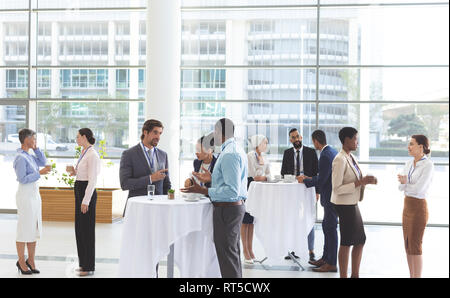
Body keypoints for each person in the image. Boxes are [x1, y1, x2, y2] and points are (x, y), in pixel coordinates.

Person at [181, 118, 248, 278]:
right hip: (231, 209)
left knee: (227, 258)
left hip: (227, 210)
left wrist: (203, 190)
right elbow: (230, 182)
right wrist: (211, 178)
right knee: (231, 255)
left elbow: (232, 191)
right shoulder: (233, 149)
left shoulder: (229, 154)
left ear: (219, 132)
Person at [331, 127, 377, 278]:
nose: (357, 142)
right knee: (347, 241)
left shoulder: (351, 157)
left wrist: (366, 181)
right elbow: (337, 188)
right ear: (346, 140)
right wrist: (360, 182)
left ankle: (354, 275)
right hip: (344, 205)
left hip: (352, 203)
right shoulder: (339, 159)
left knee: (359, 240)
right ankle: (345, 275)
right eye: (355, 139)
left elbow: (357, 179)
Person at [298, 130, 338, 272]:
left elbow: (321, 180)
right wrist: (310, 177)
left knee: (330, 229)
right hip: (331, 197)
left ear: (316, 140)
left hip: (331, 198)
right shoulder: (331, 151)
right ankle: (326, 258)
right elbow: (323, 175)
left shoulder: (325, 155)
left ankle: (331, 263)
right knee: (327, 227)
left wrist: (306, 180)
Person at [13, 128, 51, 275]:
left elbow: (43, 161)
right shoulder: (20, 158)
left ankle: (31, 260)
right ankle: (21, 261)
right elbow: (22, 179)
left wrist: (36, 149)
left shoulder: (29, 155)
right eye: (34, 139)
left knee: (34, 228)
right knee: (24, 229)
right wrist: (39, 173)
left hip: (35, 195)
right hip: (25, 195)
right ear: (26, 139)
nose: (35, 141)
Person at [398, 135, 434, 278]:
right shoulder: (408, 163)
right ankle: (411, 275)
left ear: (421, 147)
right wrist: (405, 184)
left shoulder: (428, 165)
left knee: (416, 245)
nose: (409, 147)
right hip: (407, 206)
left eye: (411, 144)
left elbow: (419, 189)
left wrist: (405, 183)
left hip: (419, 207)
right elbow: (400, 187)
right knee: (407, 244)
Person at [281, 128, 319, 262]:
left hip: (308, 188)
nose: (296, 139)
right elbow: (283, 173)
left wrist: (318, 191)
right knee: (291, 219)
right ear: (290, 140)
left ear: (301, 137)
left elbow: (317, 173)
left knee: (309, 218)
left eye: (297, 136)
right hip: (292, 190)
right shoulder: (287, 153)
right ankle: (292, 250)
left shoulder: (310, 152)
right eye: (293, 137)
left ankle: (311, 251)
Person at [67, 128, 101, 277]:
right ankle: (83, 263)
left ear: (85, 137)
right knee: (80, 229)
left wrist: (86, 200)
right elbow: (83, 174)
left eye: (78, 136)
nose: (76, 139)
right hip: (79, 188)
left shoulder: (93, 155)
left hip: (87, 192)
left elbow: (92, 180)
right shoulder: (84, 152)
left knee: (87, 230)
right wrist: (74, 172)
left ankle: (89, 266)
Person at [120, 119, 171, 215]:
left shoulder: (163, 155)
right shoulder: (129, 154)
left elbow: (166, 184)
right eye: (155, 132)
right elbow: (125, 184)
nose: (158, 137)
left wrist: (168, 203)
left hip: (159, 209)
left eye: (160, 133)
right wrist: (150, 178)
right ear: (145, 132)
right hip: (138, 209)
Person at [243, 134, 271, 264]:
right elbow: (253, 175)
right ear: (258, 143)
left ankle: (251, 249)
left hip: (259, 191)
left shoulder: (264, 157)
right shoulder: (250, 155)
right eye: (264, 142)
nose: (266, 145)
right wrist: (264, 177)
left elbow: (269, 174)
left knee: (252, 221)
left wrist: (264, 177)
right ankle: (245, 250)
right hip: (249, 188)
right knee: (245, 220)